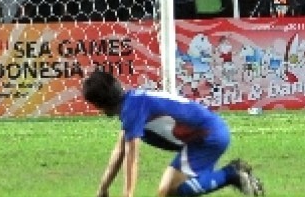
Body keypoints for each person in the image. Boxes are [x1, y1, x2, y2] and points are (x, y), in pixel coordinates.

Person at [81, 70, 264, 197]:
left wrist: (127, 194)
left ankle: (231, 174)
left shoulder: (131, 110)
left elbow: (132, 158)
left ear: (99, 105)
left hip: (208, 137)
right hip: (209, 133)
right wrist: (103, 189)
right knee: (169, 192)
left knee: (170, 191)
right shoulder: (132, 103)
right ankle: (230, 175)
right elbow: (120, 151)